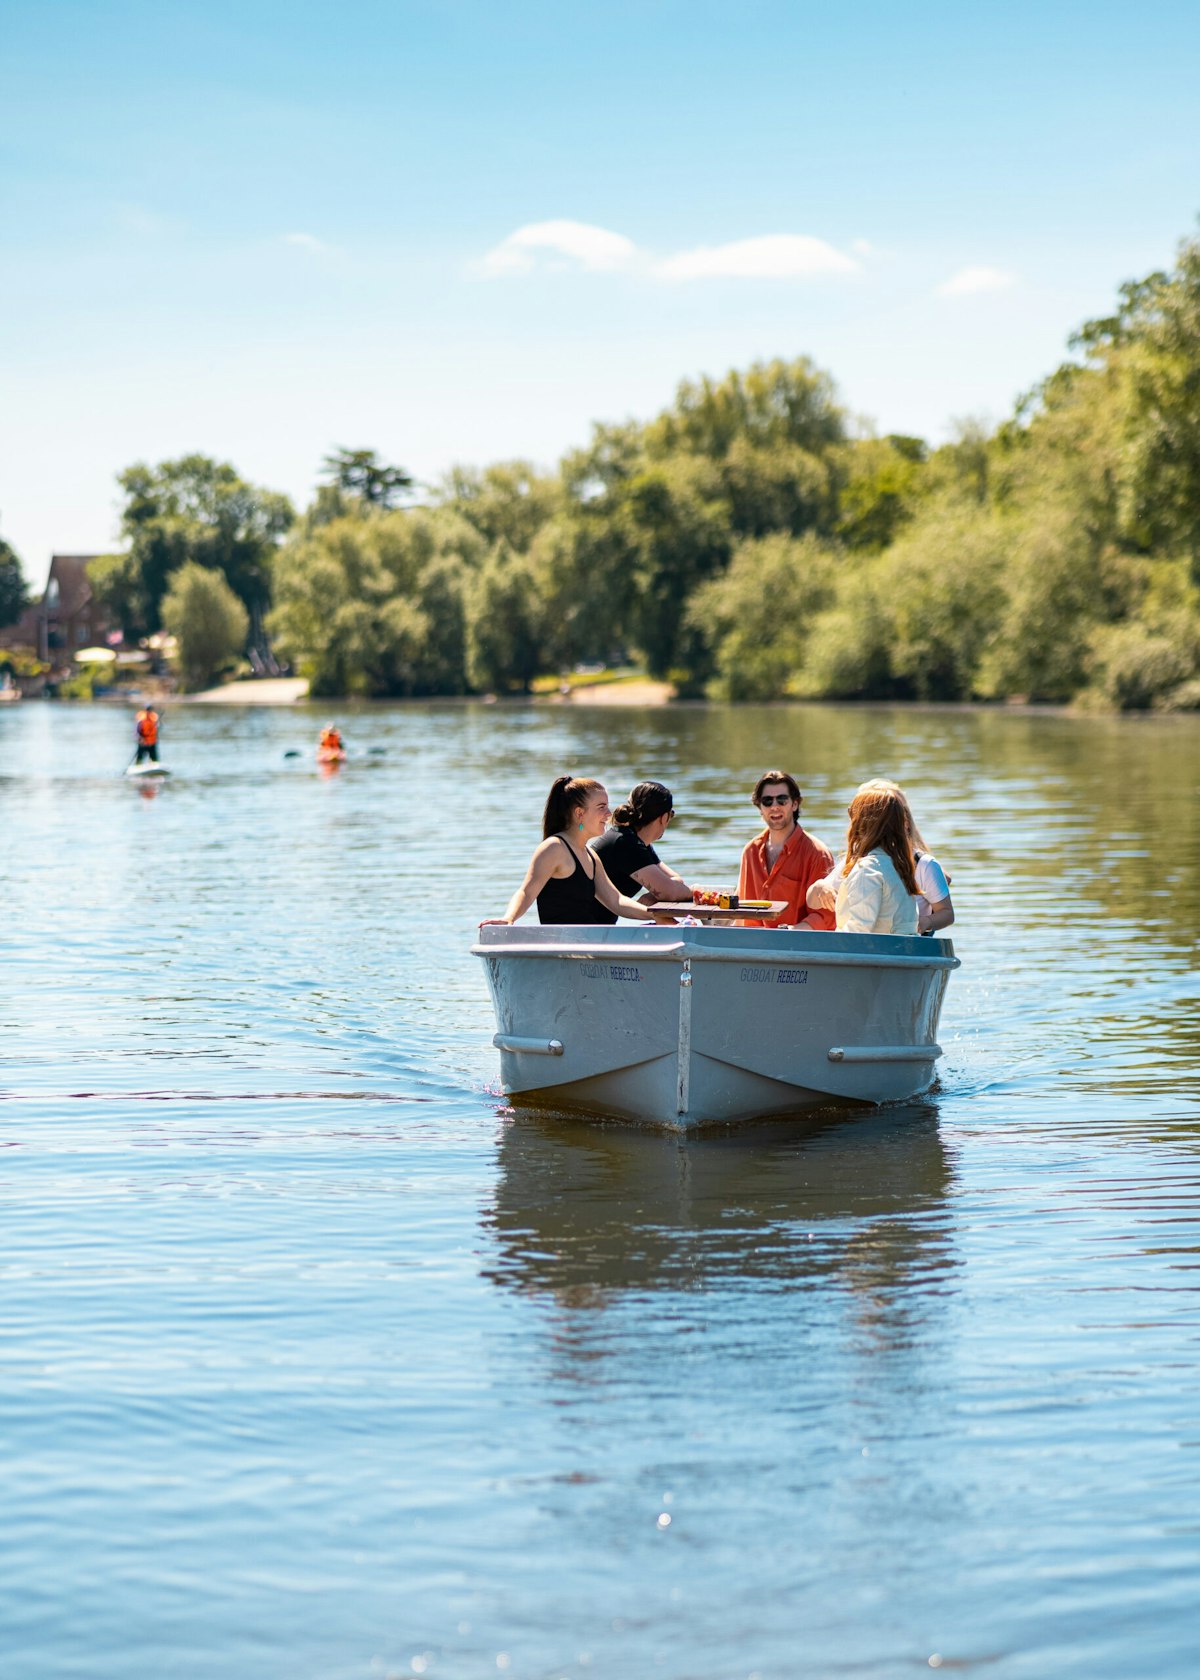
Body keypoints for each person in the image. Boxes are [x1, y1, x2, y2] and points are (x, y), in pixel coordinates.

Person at [483, 775, 663, 927]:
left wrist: (658, 916)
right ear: (579, 814)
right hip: (563, 949)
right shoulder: (553, 848)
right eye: (601, 807)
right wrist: (509, 918)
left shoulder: (590, 855)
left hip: (588, 946)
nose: (609, 814)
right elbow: (526, 891)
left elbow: (616, 901)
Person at [808, 780, 953, 935]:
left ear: (863, 822)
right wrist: (819, 887)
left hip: (877, 952)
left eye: (853, 812)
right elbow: (812, 901)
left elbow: (858, 931)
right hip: (903, 947)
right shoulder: (899, 866)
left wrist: (927, 921)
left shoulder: (868, 870)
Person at [737, 770, 835, 929]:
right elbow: (745, 914)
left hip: (799, 947)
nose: (774, 806)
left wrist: (790, 933)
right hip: (755, 947)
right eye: (767, 801)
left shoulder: (817, 854)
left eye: (782, 800)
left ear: (794, 804)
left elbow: (825, 917)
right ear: (760, 808)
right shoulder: (750, 852)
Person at [590, 781, 692, 924]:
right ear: (664, 818)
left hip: (596, 929)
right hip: (583, 930)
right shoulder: (626, 843)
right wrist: (694, 892)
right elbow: (671, 892)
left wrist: (652, 896)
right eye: (671, 814)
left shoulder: (637, 841)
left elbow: (675, 880)